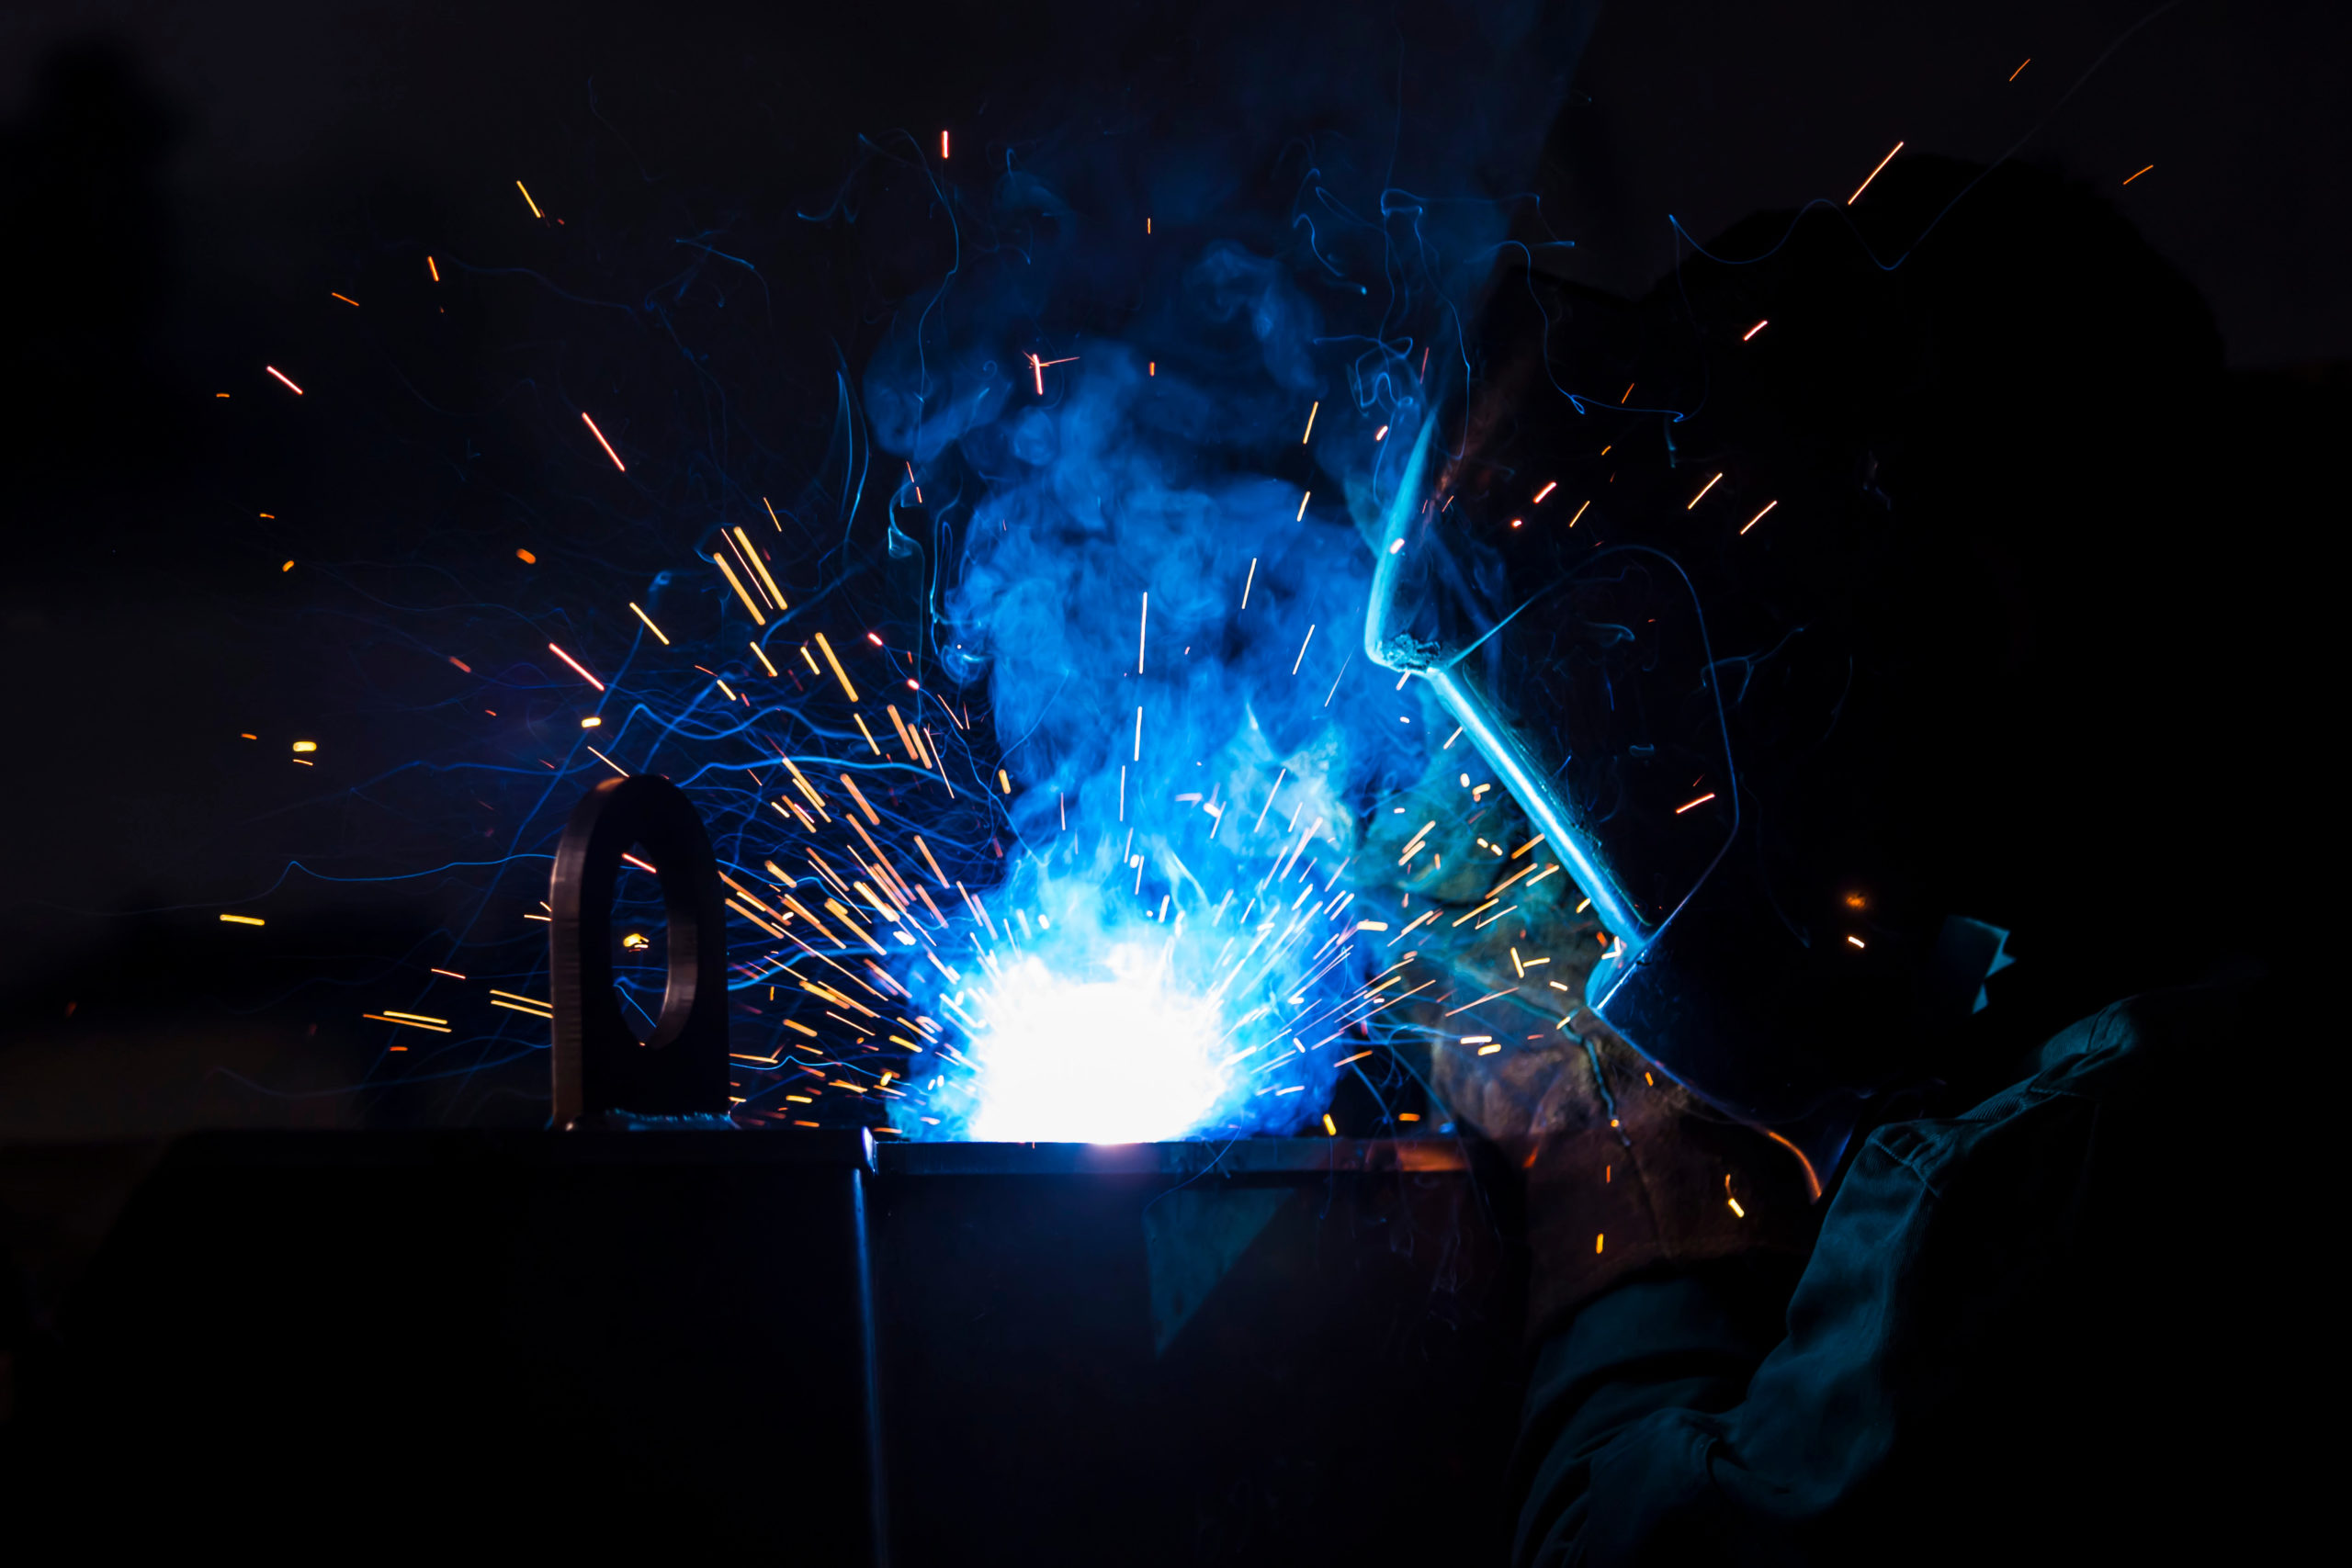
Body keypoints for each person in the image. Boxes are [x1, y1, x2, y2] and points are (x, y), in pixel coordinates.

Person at [1363, 156, 2301, 1562]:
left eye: (1765, 648)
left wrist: (1622, 1205)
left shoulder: (2095, 1145)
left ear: (1972, 607)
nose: (1736, 712)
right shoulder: (2068, 982)